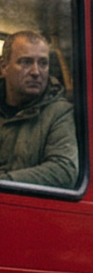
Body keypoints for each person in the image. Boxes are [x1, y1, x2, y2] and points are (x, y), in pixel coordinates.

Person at [0, 29, 77, 188]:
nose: (36, 72)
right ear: (4, 67)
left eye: (43, 63)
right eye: (26, 62)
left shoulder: (59, 112)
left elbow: (64, 169)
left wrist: (6, 182)